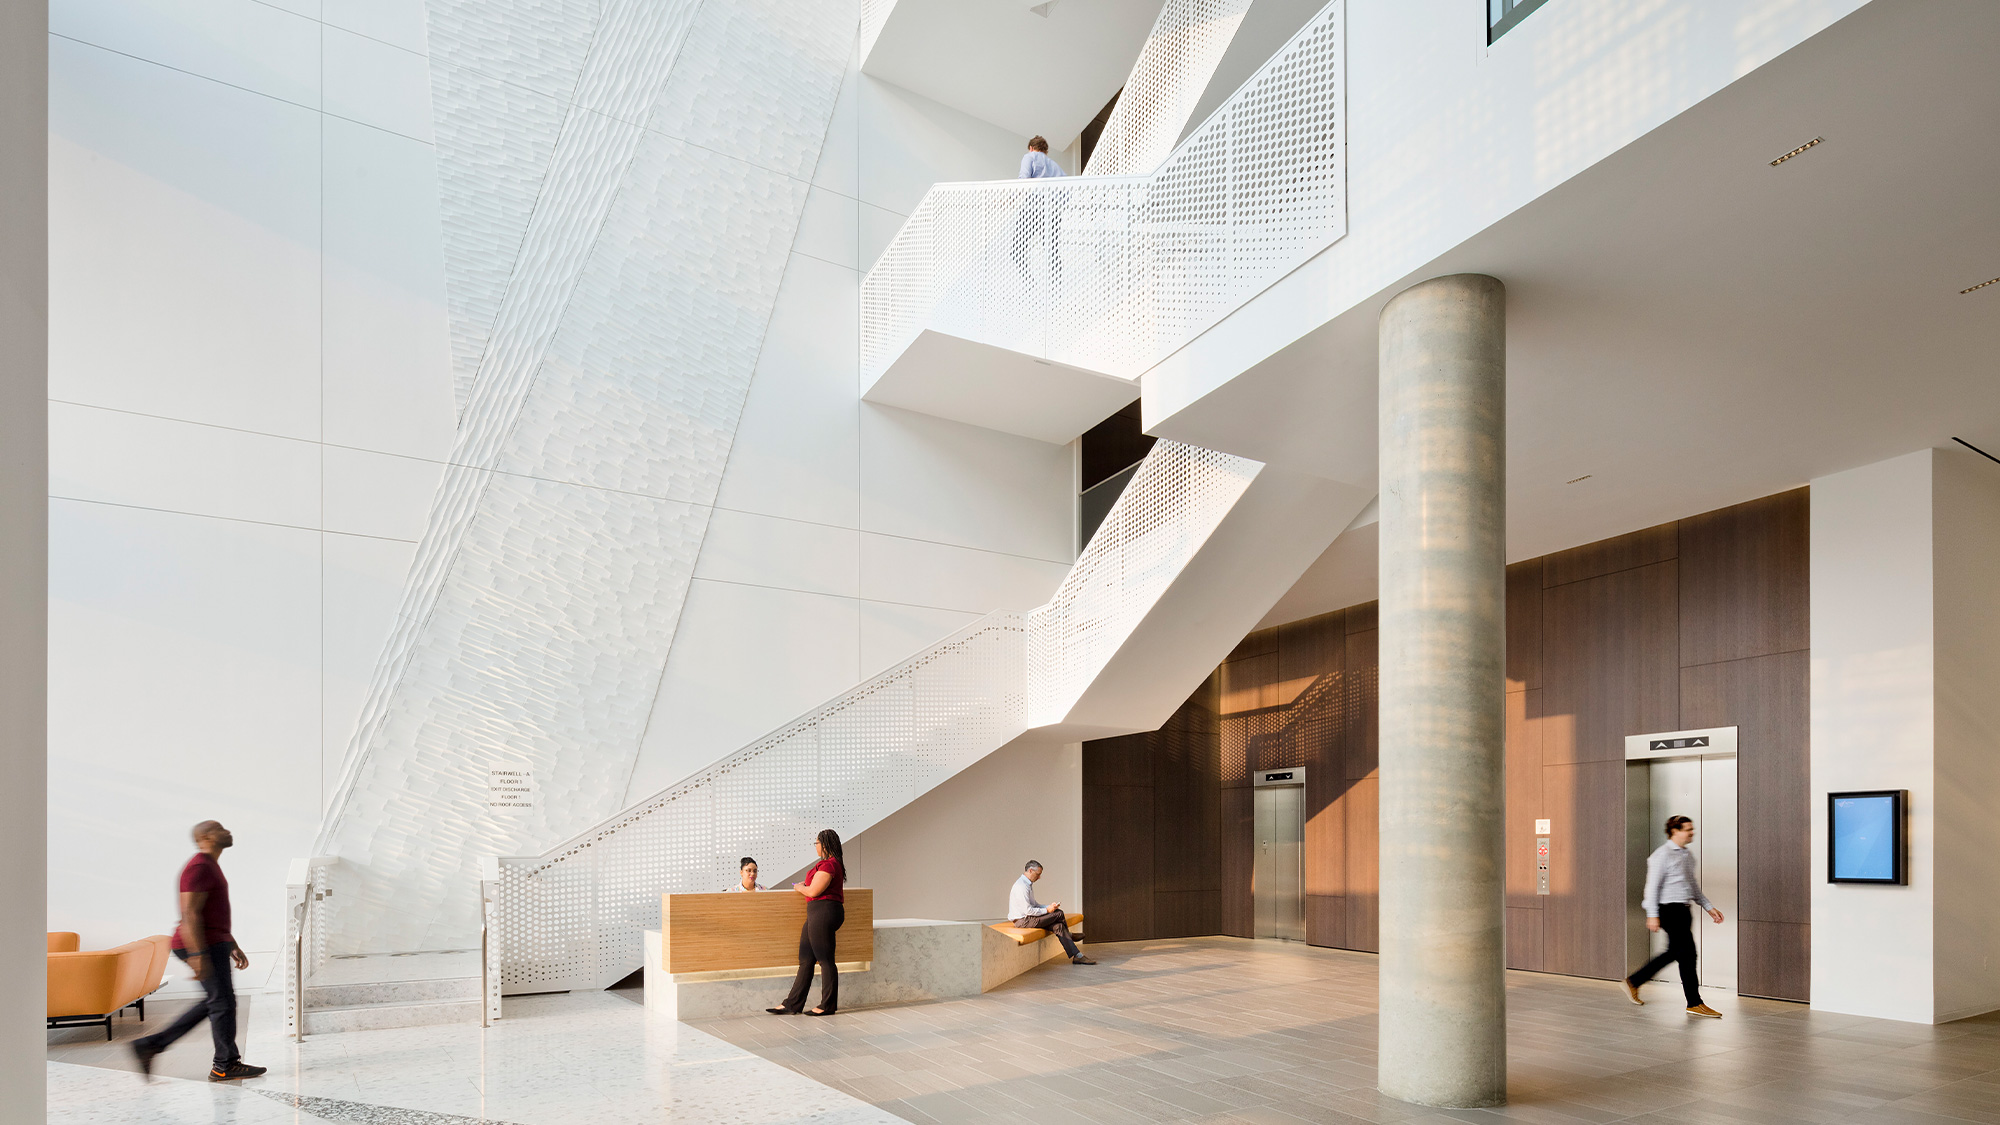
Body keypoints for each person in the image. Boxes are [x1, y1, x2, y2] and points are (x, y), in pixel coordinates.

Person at [131, 821, 267, 1081]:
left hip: (212, 943)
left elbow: (211, 913)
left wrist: (231, 943)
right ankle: (224, 1064)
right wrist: (197, 955)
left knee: (217, 1002)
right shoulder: (199, 867)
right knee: (222, 1003)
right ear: (205, 837)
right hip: (199, 944)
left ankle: (151, 1046)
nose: (228, 831)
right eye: (220, 828)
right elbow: (190, 913)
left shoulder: (210, 865)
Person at [1623, 815, 1724, 1018]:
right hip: (1668, 910)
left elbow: (1692, 886)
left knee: (1678, 953)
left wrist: (1708, 906)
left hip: (1683, 910)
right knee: (1686, 954)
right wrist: (1652, 915)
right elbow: (1652, 888)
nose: (1691, 832)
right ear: (1674, 831)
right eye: (1688, 829)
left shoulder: (1687, 856)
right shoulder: (1662, 855)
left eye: (1691, 829)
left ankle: (1635, 981)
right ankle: (1694, 1002)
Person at [767, 829, 846, 1016]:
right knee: (806, 959)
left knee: (825, 960)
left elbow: (812, 892)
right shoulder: (825, 865)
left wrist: (800, 887)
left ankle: (828, 1005)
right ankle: (792, 1004)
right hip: (816, 914)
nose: (815, 846)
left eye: (816, 843)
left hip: (824, 912)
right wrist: (805, 886)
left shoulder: (830, 865)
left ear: (824, 844)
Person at [1009, 860, 1093, 964]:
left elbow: (1034, 904)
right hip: (1023, 921)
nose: (1039, 877)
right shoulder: (1021, 886)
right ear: (1030, 870)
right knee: (1059, 913)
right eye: (1038, 874)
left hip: (1028, 919)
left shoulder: (1027, 884)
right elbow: (1028, 911)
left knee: (1058, 926)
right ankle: (1069, 935)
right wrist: (1046, 910)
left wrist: (1049, 907)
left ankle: (1078, 956)